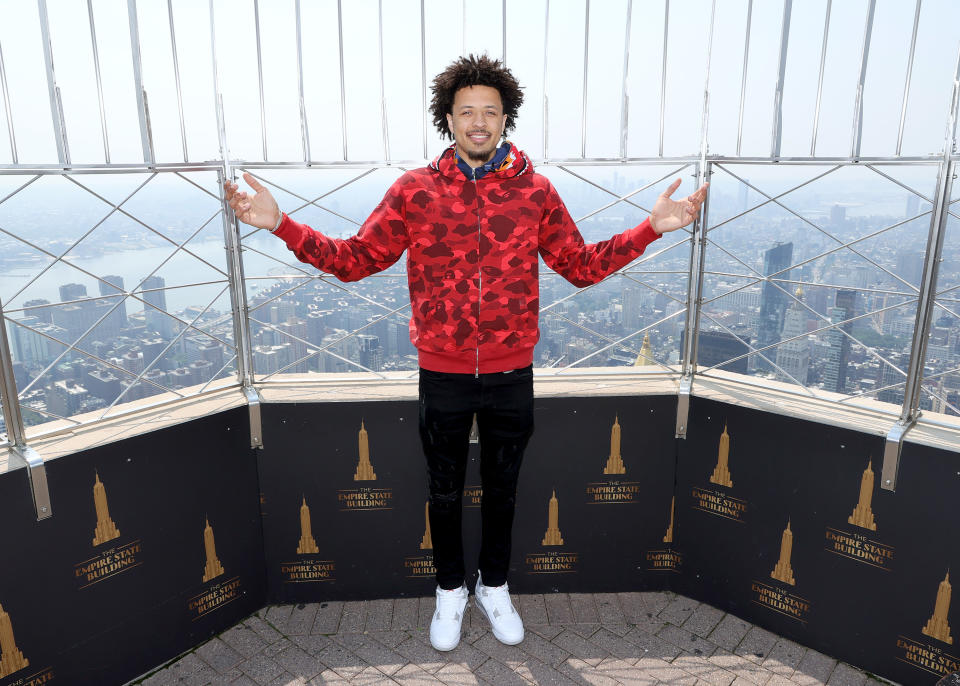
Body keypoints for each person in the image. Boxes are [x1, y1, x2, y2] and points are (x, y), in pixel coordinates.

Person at [225, 54, 707, 652]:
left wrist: (650, 230)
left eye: (490, 112)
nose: (478, 122)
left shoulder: (536, 192)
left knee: (504, 489)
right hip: (443, 373)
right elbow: (356, 260)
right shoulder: (414, 191)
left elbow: (580, 267)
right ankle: (450, 589)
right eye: (466, 112)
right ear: (447, 119)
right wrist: (281, 225)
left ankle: (495, 585)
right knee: (444, 490)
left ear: (507, 118)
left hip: (511, 370)